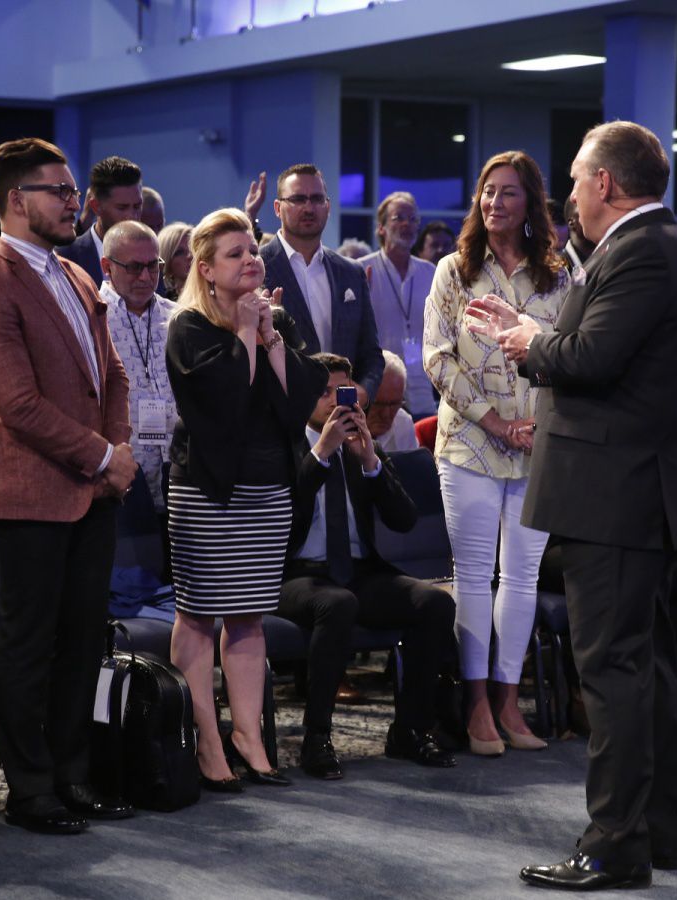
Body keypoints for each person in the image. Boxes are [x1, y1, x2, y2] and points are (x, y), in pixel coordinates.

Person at [478, 121, 677, 891]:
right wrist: (536, 332)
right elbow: (612, 352)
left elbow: (593, 358)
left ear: (606, 182)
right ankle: (650, 833)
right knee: (642, 673)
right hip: (630, 491)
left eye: (578, 179)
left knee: (613, 673)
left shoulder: (642, 250)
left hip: (615, 493)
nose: (571, 194)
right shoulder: (657, 247)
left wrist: (528, 343)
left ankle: (613, 845)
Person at [0, 137, 138, 835]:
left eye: (72, 191)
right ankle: (28, 788)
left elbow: (112, 375)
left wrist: (117, 451)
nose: (73, 202)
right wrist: (103, 455)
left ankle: (71, 773)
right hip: (32, 493)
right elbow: (17, 405)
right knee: (30, 646)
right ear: (15, 200)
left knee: (83, 642)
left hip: (94, 489)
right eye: (58, 192)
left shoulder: (77, 275)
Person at [165, 207, 327, 791]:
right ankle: (208, 741)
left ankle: (249, 738)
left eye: (253, 250)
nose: (251, 260)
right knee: (199, 614)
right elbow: (227, 403)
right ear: (206, 269)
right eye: (235, 254)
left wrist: (271, 337)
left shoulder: (275, 319)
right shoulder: (188, 327)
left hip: (268, 489)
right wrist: (243, 334)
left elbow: (299, 403)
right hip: (209, 491)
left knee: (249, 615)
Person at [423, 149, 568, 760]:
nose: (494, 202)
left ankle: (510, 699)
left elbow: (569, 352)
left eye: (508, 192)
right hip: (470, 446)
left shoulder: (558, 275)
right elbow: (437, 358)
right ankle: (476, 700)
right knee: (475, 576)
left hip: (537, 446)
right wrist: (497, 423)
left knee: (524, 576)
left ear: (530, 202)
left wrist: (534, 423)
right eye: (487, 191)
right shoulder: (454, 271)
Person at [277, 352, 457, 778]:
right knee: (338, 604)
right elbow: (283, 520)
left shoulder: (360, 446)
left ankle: (410, 729)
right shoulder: (285, 446)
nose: (333, 401)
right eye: (323, 392)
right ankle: (317, 738)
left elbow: (405, 519)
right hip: (297, 575)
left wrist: (372, 463)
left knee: (434, 603)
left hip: (358, 573)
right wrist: (320, 455)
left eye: (342, 392)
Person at [259, 162, 384, 399]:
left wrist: (363, 392)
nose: (309, 208)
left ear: (327, 206)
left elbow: (371, 352)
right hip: (281, 409)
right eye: (298, 199)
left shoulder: (351, 272)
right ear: (277, 208)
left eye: (317, 199)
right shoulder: (256, 268)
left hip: (343, 408)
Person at [100, 220, 177, 508]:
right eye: (134, 267)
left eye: (153, 266)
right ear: (107, 266)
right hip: (119, 475)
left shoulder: (179, 317)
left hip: (178, 470)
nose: (145, 276)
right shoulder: (91, 317)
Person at [360, 191, 438, 417]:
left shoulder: (430, 272)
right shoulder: (362, 269)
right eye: (399, 218)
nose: (407, 224)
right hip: (380, 389)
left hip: (423, 389)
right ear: (381, 228)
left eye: (413, 219)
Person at [57, 155, 143, 286]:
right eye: (122, 208)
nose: (132, 216)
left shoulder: (151, 257)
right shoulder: (66, 257)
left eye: (137, 206)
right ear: (96, 207)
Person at [367, 350, 420, 454]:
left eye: (394, 404)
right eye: (378, 404)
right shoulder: (338, 430)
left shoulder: (403, 423)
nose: (386, 414)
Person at [157, 221, 193, 298]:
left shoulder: (216, 295)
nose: (190, 256)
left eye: (193, 248)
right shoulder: (162, 303)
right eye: (180, 252)